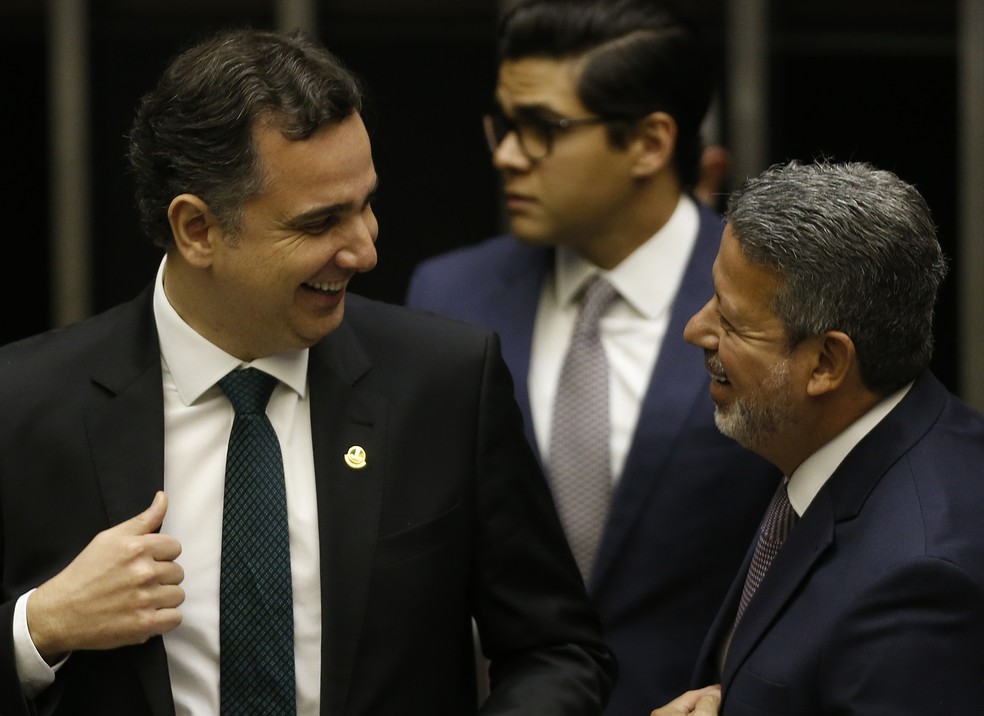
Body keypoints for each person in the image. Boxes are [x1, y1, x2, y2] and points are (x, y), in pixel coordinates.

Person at [0, 28, 617, 716]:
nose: (365, 249)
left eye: (366, 205)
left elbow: (558, 651)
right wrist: (39, 627)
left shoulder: (444, 383)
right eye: (321, 222)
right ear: (198, 230)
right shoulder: (23, 404)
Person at [404, 0, 779, 713]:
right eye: (504, 124)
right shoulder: (451, 294)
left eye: (542, 129)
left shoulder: (766, 294)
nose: (507, 153)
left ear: (648, 142)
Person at [653, 159, 984, 714]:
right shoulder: (840, 446)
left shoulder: (919, 581)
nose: (695, 330)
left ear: (827, 362)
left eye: (731, 322)